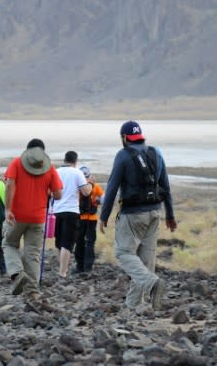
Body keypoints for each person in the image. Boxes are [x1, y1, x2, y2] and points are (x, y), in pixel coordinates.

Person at [99, 120, 177, 311]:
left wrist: (104, 215)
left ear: (125, 138)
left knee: (123, 253)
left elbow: (112, 187)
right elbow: (165, 186)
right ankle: (134, 305)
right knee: (146, 260)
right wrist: (170, 215)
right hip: (154, 212)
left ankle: (152, 285)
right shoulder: (156, 153)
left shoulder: (123, 155)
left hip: (132, 215)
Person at [2, 138, 63, 299]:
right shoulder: (49, 169)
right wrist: (48, 190)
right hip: (38, 218)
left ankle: (16, 273)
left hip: (16, 216)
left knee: (9, 243)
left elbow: (9, 184)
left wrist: (7, 209)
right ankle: (33, 292)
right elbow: (58, 195)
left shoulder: (16, 163)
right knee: (33, 254)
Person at [53, 151, 91, 278]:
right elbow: (85, 192)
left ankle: (61, 268)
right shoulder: (77, 172)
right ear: (75, 162)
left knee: (59, 242)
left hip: (56, 211)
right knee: (67, 243)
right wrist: (89, 183)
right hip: (71, 211)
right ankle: (63, 272)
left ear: (65, 160)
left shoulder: (56, 172)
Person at [74, 165, 104, 274]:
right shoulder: (95, 186)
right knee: (90, 242)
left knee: (79, 242)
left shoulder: (77, 186)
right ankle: (88, 267)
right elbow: (103, 199)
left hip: (79, 218)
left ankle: (79, 267)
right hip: (91, 219)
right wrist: (97, 202)